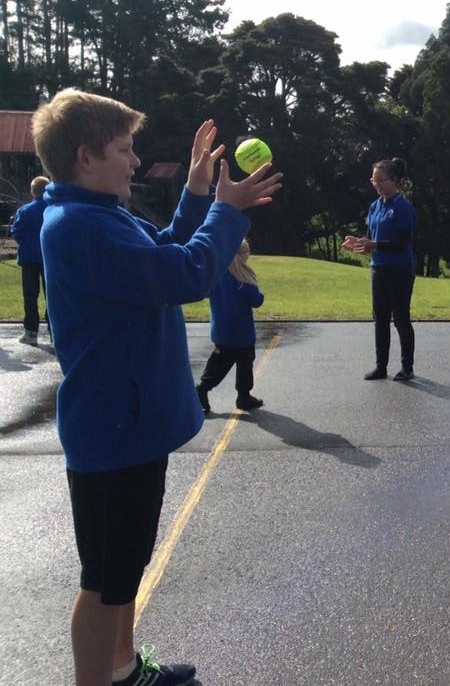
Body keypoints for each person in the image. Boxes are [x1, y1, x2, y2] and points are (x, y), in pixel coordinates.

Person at [33, 87, 281, 686]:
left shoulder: (99, 215)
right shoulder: (80, 226)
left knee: (124, 569)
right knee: (104, 581)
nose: (136, 160)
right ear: (86, 157)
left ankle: (122, 669)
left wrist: (196, 195)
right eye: (124, 149)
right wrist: (226, 211)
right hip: (115, 431)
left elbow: (163, 249)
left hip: (129, 426)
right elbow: (184, 273)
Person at [342, 157, 416, 381]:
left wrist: (373, 245)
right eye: (374, 180)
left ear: (394, 180)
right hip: (378, 268)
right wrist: (359, 243)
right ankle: (380, 366)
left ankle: (407, 367)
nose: (377, 184)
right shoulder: (374, 206)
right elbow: (371, 238)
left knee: (400, 318)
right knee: (380, 319)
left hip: (400, 269)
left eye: (381, 180)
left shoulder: (403, 207)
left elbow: (402, 242)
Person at [196, 239, 265, 413]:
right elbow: (257, 301)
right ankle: (243, 396)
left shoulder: (217, 276)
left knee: (218, 364)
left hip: (222, 331)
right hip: (242, 333)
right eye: (247, 252)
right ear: (241, 255)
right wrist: (260, 292)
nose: (249, 254)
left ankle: (203, 388)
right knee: (245, 365)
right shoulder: (244, 280)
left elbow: (205, 292)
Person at [10, 175, 50, 345]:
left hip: (28, 257)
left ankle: (31, 332)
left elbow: (16, 232)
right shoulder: (53, 208)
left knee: (30, 295)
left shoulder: (24, 210)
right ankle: (54, 331)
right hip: (49, 258)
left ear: (33, 191)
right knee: (52, 295)